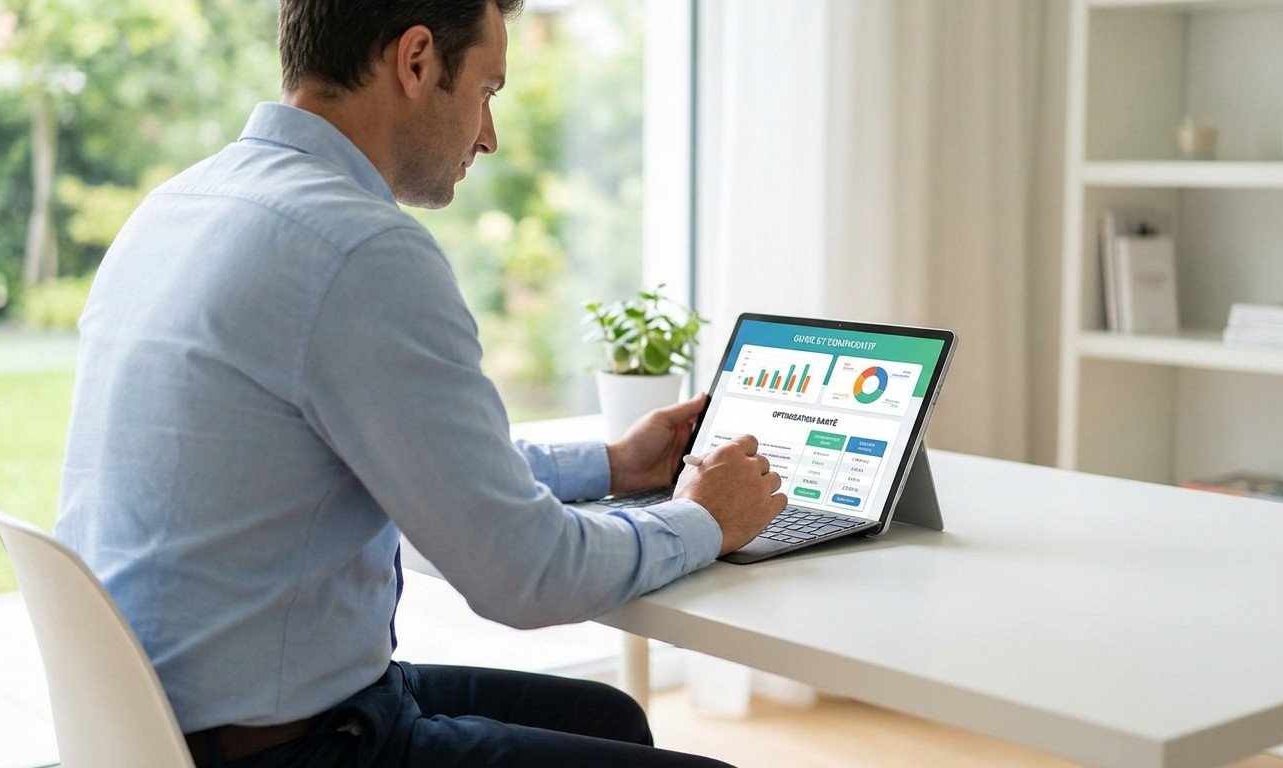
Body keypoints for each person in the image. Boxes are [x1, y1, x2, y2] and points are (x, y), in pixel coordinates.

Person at [55, 1, 784, 766]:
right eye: (487, 91)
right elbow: (526, 574)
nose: (489, 136)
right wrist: (705, 519)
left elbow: (420, 465)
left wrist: (614, 466)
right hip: (288, 747)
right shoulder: (358, 249)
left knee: (605, 719)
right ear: (416, 61)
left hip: (158, 725)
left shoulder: (177, 207)